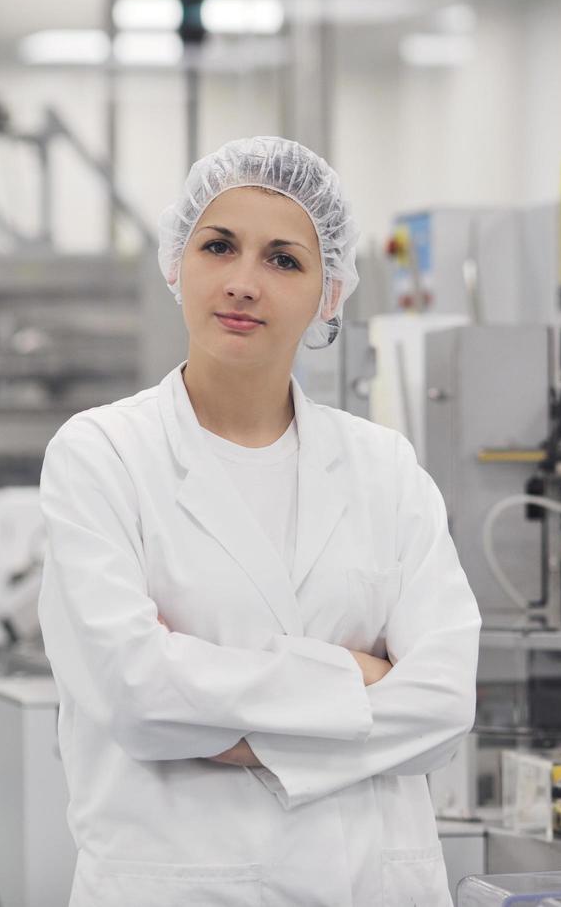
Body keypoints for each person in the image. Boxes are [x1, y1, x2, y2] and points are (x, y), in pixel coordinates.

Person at [37, 137, 482, 907]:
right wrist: (356, 677)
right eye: (219, 246)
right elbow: (140, 698)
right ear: (177, 263)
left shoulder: (385, 468)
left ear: (329, 294)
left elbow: (445, 707)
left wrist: (221, 711)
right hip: (181, 887)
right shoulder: (102, 455)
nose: (244, 283)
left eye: (284, 260)